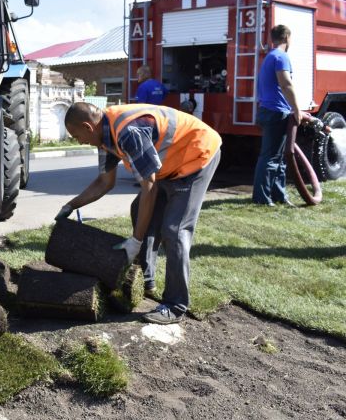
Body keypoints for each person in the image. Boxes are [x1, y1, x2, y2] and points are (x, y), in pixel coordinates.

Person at [55, 102, 222, 325]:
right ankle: (147, 280)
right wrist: (71, 205)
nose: (79, 141)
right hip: (171, 163)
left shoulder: (127, 131)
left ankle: (175, 305)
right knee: (139, 210)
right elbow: (105, 182)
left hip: (197, 156)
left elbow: (149, 187)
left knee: (175, 230)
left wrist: (136, 240)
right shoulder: (104, 137)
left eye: (76, 136)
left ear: (88, 127)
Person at [252, 24, 304, 207]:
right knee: (271, 157)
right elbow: (286, 84)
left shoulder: (269, 57)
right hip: (276, 112)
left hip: (269, 110)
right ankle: (262, 199)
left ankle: (278, 195)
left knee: (279, 157)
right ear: (287, 38)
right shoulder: (281, 57)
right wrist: (297, 109)